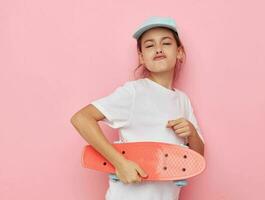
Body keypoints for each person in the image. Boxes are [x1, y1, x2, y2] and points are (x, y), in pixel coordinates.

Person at [71, 16, 205, 200]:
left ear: (179, 52)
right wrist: (120, 163)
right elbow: (81, 118)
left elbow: (197, 158)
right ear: (142, 57)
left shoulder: (183, 100)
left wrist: (192, 133)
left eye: (166, 43)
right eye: (149, 45)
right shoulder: (134, 92)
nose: (158, 49)